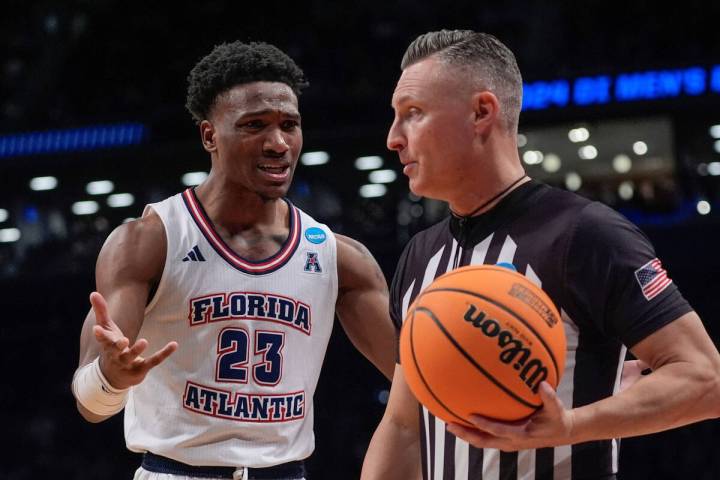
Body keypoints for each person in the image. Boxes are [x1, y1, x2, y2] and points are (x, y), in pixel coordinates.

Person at [361, 30, 720, 480]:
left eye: (413, 114)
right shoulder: (419, 255)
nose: (394, 138)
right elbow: (403, 424)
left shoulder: (586, 234)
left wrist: (570, 425)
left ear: (481, 112)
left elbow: (707, 379)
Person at [71, 41, 396, 480]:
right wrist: (112, 375)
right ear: (210, 136)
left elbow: (417, 380)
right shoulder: (148, 241)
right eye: (255, 125)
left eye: (289, 125)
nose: (279, 143)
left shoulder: (339, 256)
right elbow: (90, 405)